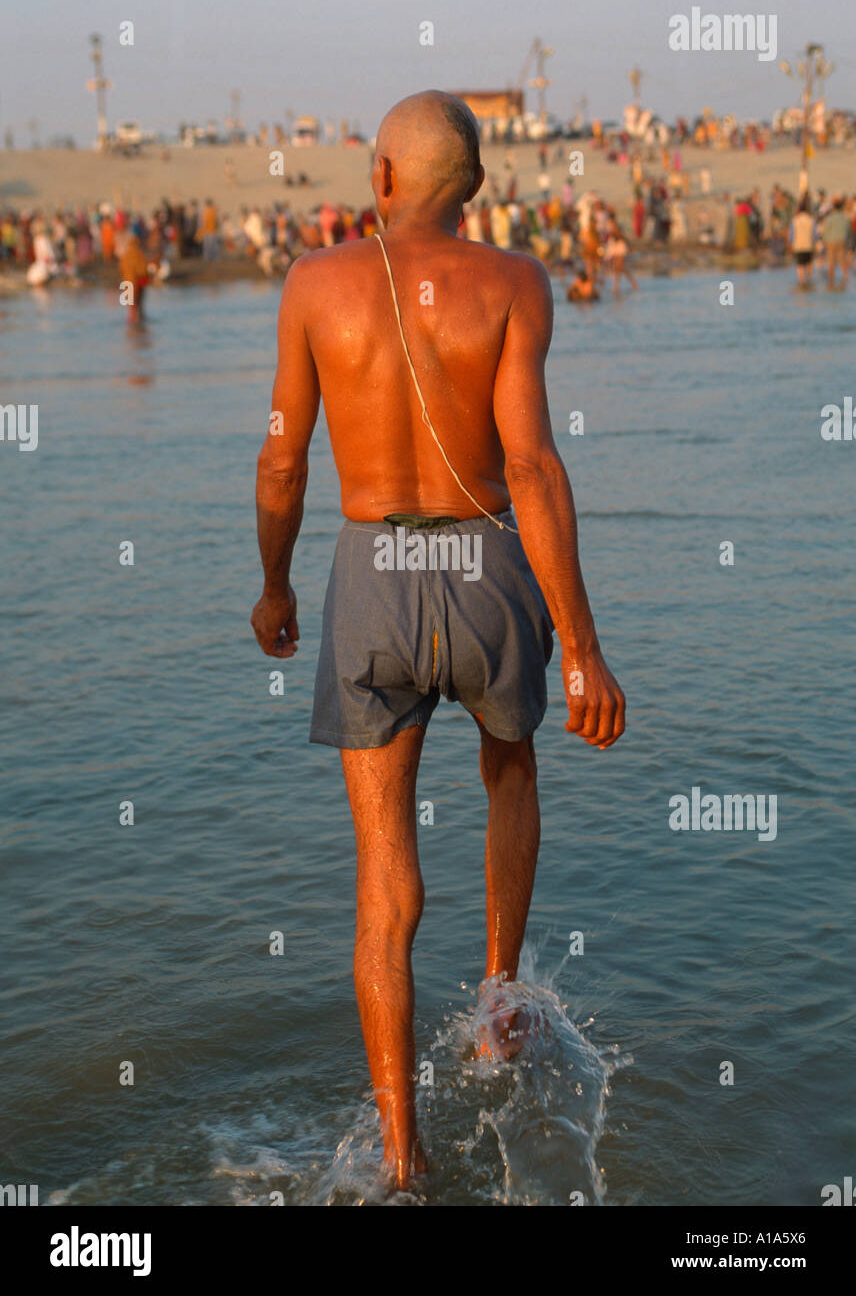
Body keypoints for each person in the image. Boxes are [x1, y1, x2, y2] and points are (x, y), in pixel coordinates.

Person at [250, 90, 625, 1192]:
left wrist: (273, 585)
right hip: (484, 566)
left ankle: (402, 1163)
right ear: (473, 192)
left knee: (383, 883)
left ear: (380, 179)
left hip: (372, 575)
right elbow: (531, 467)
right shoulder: (512, 283)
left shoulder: (314, 284)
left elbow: (281, 460)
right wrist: (581, 645)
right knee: (508, 767)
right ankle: (496, 1002)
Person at [119, 234, 149, 323]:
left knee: (130, 306)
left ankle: (131, 322)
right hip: (136, 284)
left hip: (126, 283)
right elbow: (143, 270)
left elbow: (121, 268)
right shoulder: (139, 254)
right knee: (138, 305)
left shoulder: (125, 255)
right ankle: (138, 321)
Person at [821, 194, 849, 290]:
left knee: (831, 262)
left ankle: (831, 280)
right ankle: (845, 277)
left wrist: (823, 240)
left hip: (831, 242)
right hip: (842, 240)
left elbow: (825, 231)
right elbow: (847, 229)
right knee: (842, 260)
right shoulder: (844, 217)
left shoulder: (830, 217)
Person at [789, 197, 816, 288]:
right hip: (809, 245)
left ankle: (802, 282)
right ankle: (808, 280)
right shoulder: (811, 220)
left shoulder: (794, 220)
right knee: (808, 264)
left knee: (800, 265)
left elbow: (791, 235)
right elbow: (814, 234)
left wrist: (791, 245)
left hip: (798, 245)